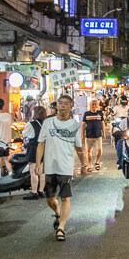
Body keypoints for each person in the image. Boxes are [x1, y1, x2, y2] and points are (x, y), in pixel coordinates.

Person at [36, 94, 83, 242]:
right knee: (50, 198)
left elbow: (79, 147)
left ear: (70, 107)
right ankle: (57, 212)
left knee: (65, 198)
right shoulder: (48, 123)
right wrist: (38, 163)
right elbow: (41, 144)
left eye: (65, 104)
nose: (62, 106)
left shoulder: (75, 126)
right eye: (60, 103)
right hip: (50, 166)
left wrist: (84, 164)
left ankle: (61, 228)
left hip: (66, 167)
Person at [22, 106, 47, 200]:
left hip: (34, 149)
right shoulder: (46, 123)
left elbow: (25, 134)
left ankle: (34, 192)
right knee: (42, 172)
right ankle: (41, 191)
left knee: (33, 172)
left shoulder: (31, 124)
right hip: (45, 149)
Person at [81, 100, 105, 173]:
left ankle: (97, 162)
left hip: (98, 135)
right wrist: (82, 135)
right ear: (90, 105)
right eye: (92, 104)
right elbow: (83, 125)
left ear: (97, 105)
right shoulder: (86, 114)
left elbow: (102, 123)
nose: (94, 106)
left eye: (95, 104)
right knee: (88, 151)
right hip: (89, 135)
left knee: (99, 150)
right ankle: (90, 165)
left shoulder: (100, 113)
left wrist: (103, 133)